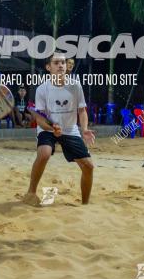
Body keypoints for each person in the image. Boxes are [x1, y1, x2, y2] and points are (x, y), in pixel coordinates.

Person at [24, 53, 95, 205]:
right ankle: (31, 192)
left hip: (70, 129)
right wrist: (52, 127)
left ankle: (85, 204)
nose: (61, 65)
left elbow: (82, 111)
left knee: (89, 166)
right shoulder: (42, 89)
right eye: (56, 63)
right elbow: (40, 119)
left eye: (62, 62)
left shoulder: (75, 86)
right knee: (44, 154)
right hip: (48, 129)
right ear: (48, 67)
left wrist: (84, 129)